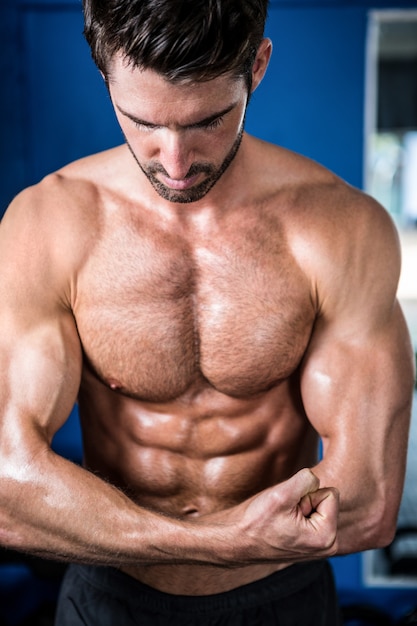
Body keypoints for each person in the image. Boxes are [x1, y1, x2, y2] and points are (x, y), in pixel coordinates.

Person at [0, 0, 414, 624]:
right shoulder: (48, 227)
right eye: (140, 121)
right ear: (104, 76)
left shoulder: (341, 230)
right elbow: (6, 492)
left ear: (258, 67)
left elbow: (372, 502)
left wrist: (223, 549)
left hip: (283, 600)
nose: (174, 161)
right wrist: (226, 544)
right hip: (110, 600)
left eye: (208, 121)